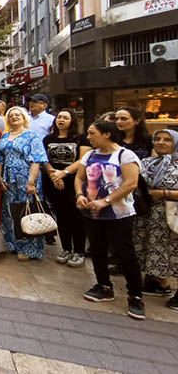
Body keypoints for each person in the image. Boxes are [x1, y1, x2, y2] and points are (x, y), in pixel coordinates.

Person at [75, 120, 145, 320]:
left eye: (92, 133)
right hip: (92, 212)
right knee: (97, 250)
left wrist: (105, 201)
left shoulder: (125, 155)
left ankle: (135, 295)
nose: (88, 137)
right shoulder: (89, 155)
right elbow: (80, 178)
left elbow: (131, 183)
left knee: (125, 253)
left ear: (106, 134)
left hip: (119, 214)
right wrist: (80, 195)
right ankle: (104, 285)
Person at [0, 106, 48, 261]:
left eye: (18, 115)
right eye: (11, 115)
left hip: (26, 178)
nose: (14, 117)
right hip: (8, 178)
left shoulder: (32, 136)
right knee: (10, 211)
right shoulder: (5, 137)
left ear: (24, 118)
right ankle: (12, 244)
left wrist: (31, 182)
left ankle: (29, 249)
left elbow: (37, 160)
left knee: (27, 211)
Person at [136, 129, 178, 309]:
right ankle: (159, 284)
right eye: (158, 139)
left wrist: (162, 193)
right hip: (148, 217)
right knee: (151, 250)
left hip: (172, 217)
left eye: (167, 140)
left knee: (173, 254)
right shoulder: (146, 162)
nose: (161, 142)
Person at [44, 109, 92, 267]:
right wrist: (53, 175)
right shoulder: (48, 139)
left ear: (72, 121)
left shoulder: (80, 139)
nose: (61, 120)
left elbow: (83, 159)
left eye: (65, 117)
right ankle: (65, 248)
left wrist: (63, 173)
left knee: (77, 217)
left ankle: (79, 251)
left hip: (74, 181)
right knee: (61, 216)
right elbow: (44, 160)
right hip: (54, 182)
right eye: (59, 117)